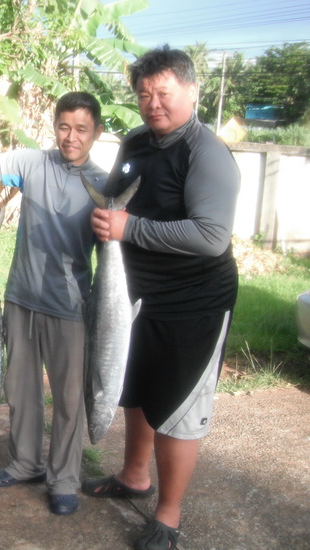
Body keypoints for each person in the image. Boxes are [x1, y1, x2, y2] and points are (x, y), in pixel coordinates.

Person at [80, 46, 240, 550]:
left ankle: (168, 517)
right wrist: (102, 218)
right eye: (144, 94)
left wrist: (131, 228)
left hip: (194, 302)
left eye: (163, 93)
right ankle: (133, 475)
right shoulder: (137, 143)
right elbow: (112, 197)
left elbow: (211, 236)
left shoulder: (207, 153)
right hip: (135, 293)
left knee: (177, 405)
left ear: (192, 91)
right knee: (137, 389)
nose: (153, 104)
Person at [0, 92, 108, 515]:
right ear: (54, 126)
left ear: (96, 132)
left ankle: (63, 478)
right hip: (22, 297)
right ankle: (26, 462)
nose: (71, 137)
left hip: (71, 306)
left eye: (81, 129)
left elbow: (110, 250)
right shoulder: (29, 163)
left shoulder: (103, 183)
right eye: (64, 126)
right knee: (20, 390)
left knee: (68, 398)